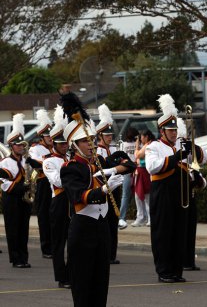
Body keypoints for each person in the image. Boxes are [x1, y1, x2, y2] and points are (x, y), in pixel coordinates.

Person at [59, 91, 136, 307]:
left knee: (101, 285)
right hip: (83, 229)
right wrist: (103, 189)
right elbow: (79, 196)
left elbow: (130, 164)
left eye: (93, 139)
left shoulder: (99, 162)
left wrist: (111, 171)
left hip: (102, 228)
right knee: (83, 287)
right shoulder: (70, 169)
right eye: (85, 141)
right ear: (74, 145)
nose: (91, 144)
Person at [145, 94, 206, 283]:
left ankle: (177, 271)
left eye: (174, 130)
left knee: (179, 233)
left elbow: (200, 159)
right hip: (163, 194)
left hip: (180, 195)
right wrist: (177, 156)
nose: (173, 133)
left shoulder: (180, 144)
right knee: (163, 233)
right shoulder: (153, 146)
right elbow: (152, 167)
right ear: (161, 131)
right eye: (169, 130)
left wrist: (192, 148)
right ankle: (164, 271)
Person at [43, 105, 70, 289]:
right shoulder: (49, 161)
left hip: (73, 200)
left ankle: (74, 272)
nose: (64, 146)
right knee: (59, 242)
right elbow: (59, 181)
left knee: (75, 240)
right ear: (54, 143)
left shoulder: (70, 157)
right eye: (61, 143)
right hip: (59, 201)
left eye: (66, 143)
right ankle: (62, 277)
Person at [0, 113, 31, 268]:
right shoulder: (5, 163)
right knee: (13, 229)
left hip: (24, 199)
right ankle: (15, 259)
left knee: (23, 229)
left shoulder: (26, 160)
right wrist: (22, 187)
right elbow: (4, 184)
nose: (21, 147)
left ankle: (24, 258)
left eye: (22, 145)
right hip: (11, 199)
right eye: (18, 145)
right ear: (11, 146)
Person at [176, 118, 207, 271]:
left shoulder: (189, 148)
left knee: (190, 230)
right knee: (180, 231)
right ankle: (181, 261)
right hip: (177, 196)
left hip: (190, 195)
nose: (183, 141)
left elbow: (203, 159)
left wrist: (192, 146)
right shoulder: (171, 150)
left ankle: (189, 261)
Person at [95, 104, 121, 264]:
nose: (110, 137)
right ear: (100, 135)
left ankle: (112, 253)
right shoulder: (98, 151)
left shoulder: (113, 149)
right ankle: (106, 252)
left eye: (111, 134)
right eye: (107, 135)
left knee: (114, 221)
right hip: (104, 188)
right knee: (106, 221)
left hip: (115, 187)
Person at [28, 109, 53, 258]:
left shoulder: (55, 148)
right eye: (47, 135)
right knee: (44, 216)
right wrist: (49, 162)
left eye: (50, 135)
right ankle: (46, 248)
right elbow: (36, 164)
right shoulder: (35, 148)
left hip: (54, 183)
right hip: (43, 183)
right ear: (41, 137)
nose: (50, 138)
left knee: (56, 216)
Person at [131, 129, 156, 227]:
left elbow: (137, 155)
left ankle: (149, 218)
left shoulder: (149, 145)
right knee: (138, 196)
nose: (140, 139)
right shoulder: (146, 145)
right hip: (140, 172)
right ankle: (141, 217)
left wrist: (136, 145)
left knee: (146, 197)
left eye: (141, 136)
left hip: (145, 172)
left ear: (146, 137)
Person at [118, 127, 139, 230]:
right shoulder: (137, 144)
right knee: (138, 195)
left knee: (125, 195)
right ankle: (139, 217)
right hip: (136, 169)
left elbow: (121, 158)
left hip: (127, 170)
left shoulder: (123, 145)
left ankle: (122, 217)